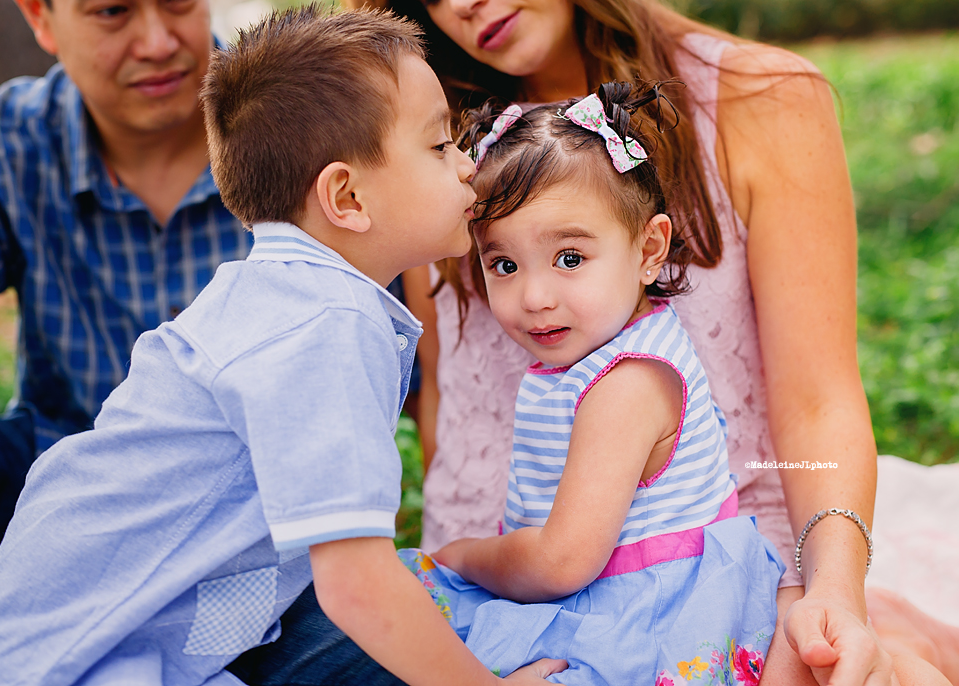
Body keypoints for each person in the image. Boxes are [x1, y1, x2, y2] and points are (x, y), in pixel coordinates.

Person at [343, 0, 959, 684]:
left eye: (571, 258)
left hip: (699, 590)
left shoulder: (762, 100)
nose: (462, 4)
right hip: (496, 594)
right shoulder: (425, 142)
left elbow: (817, 403)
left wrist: (834, 592)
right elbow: (450, 395)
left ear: (651, 248)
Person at [0, 8, 566, 686]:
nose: (468, 167)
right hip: (80, 655)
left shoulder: (282, 293)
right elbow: (356, 584)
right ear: (346, 196)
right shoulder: (321, 325)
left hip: (134, 627)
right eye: (440, 146)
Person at [398, 84, 786, 684]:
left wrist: (464, 555)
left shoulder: (627, 384)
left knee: (424, 615)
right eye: (504, 264)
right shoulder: (601, 353)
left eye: (570, 258)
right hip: (605, 594)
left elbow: (561, 561)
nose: (535, 296)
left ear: (649, 249)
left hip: (650, 616)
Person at [0, 0, 251, 539]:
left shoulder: (307, 130)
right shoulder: (13, 144)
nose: (158, 43)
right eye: (112, 11)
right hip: (61, 495)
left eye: (179, 3)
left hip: (258, 512)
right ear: (40, 19)